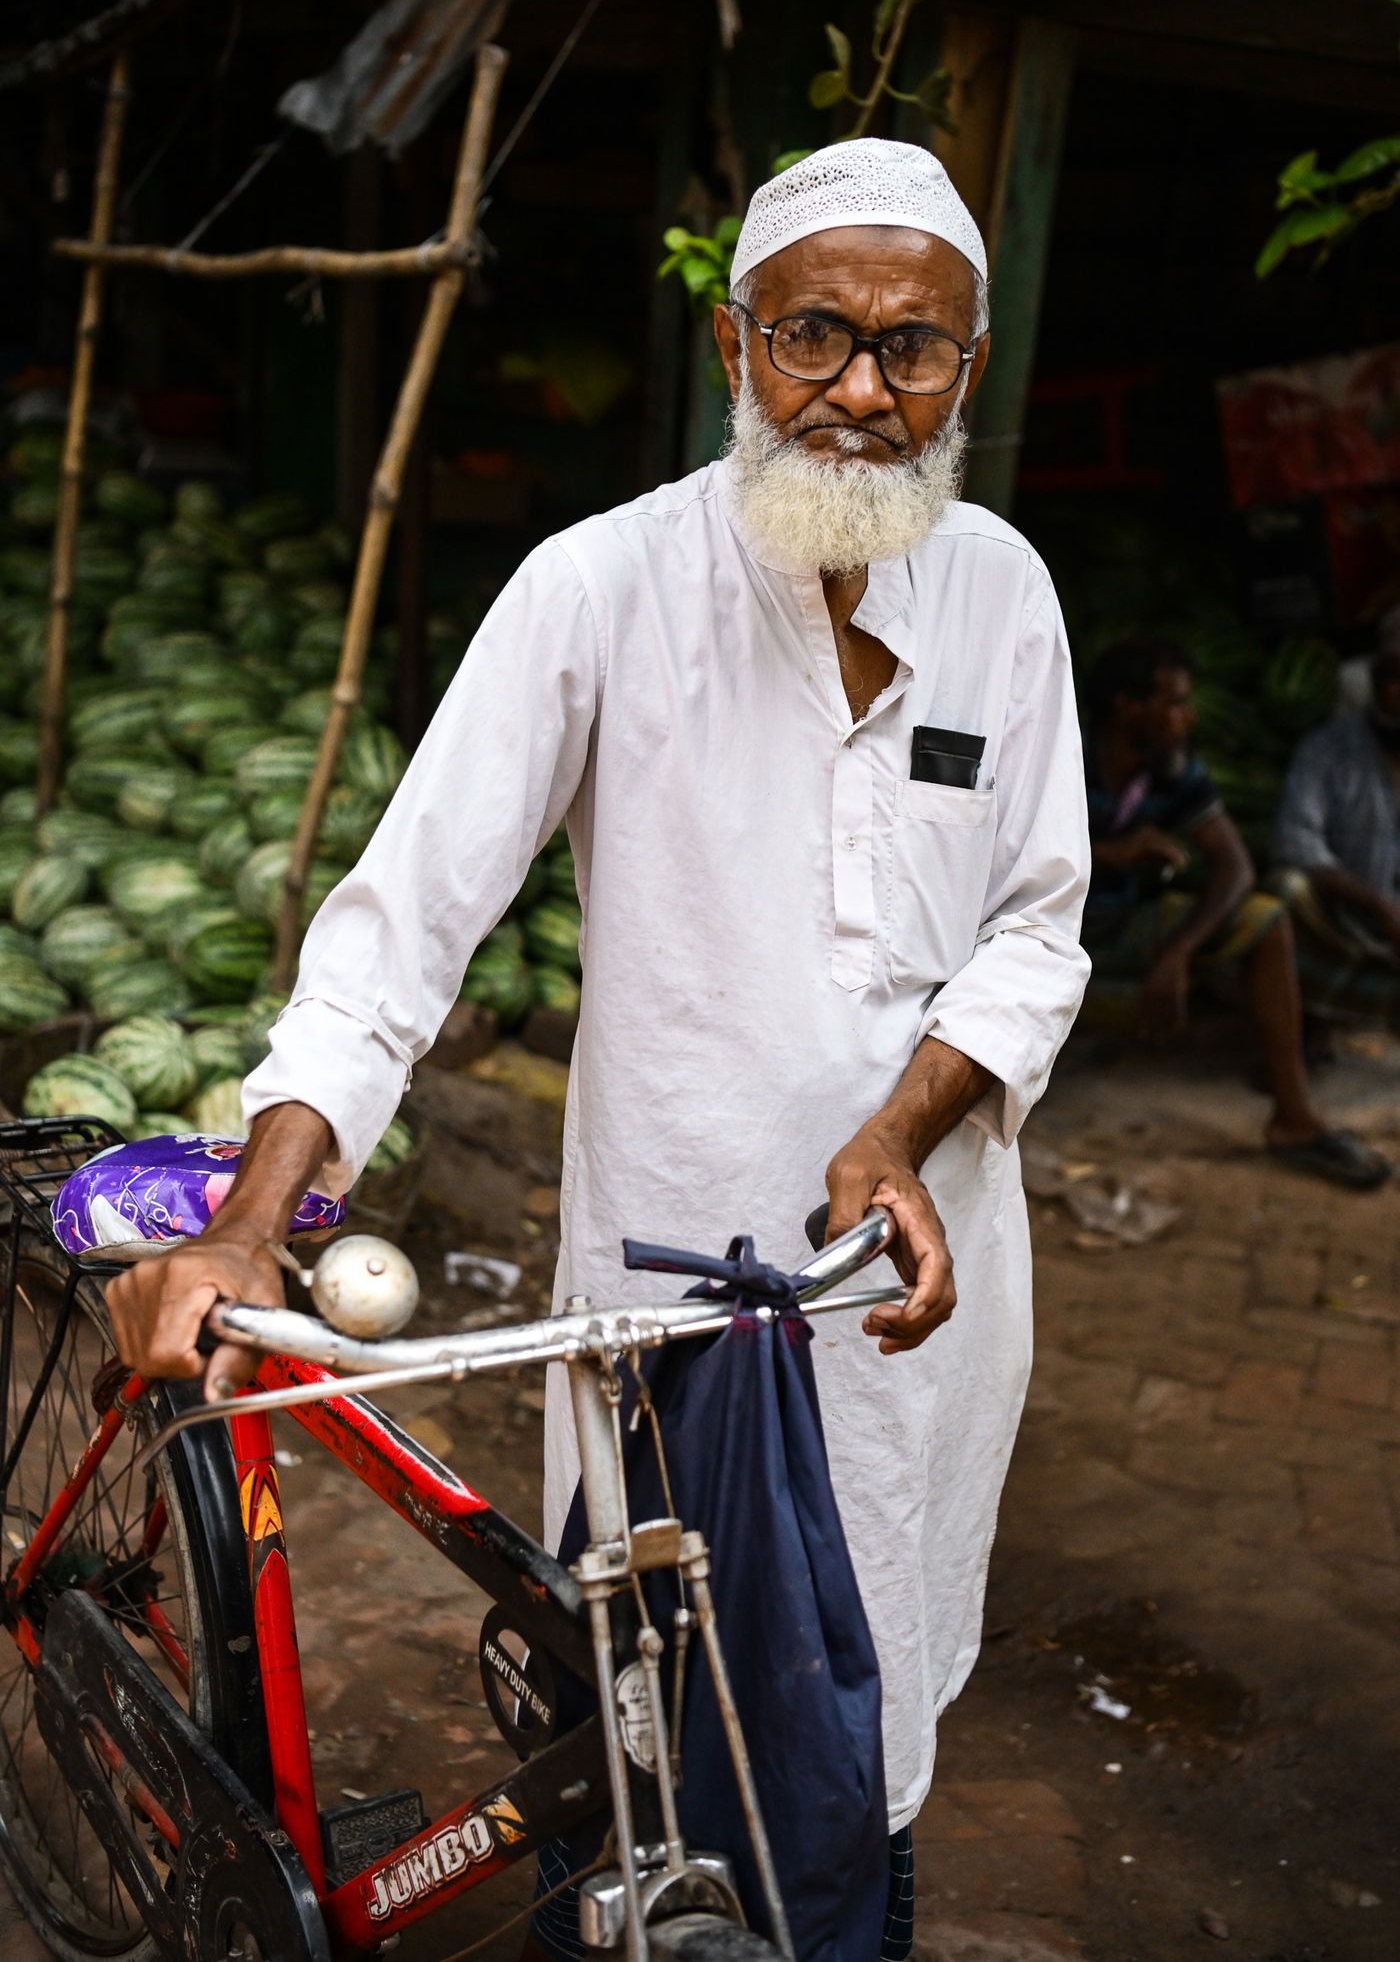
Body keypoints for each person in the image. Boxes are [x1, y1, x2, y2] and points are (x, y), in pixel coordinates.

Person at [106, 139, 1094, 1947]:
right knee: (645, 1721)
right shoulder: (597, 591)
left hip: (906, 1293)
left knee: (862, 1725)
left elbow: (1038, 927)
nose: (863, 391)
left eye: (915, 349)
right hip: (668, 1305)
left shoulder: (1006, 596)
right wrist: (254, 1221)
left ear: (966, 366)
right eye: (816, 334)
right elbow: (398, 932)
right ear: (735, 350)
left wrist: (902, 1128)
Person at [1082, 637, 1389, 1188]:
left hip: (1120, 929)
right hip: (1042, 933)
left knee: (1265, 916)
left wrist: (1178, 952)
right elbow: (994, 856)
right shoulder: (1062, 755)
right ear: (1130, 708)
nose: (1189, 716)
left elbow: (1236, 866)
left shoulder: (1172, 768)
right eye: (1174, 704)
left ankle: (1293, 1119)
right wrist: (1105, 852)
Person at [1271, 642, 1400, 1029]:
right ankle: (1305, 1022)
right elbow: (1295, 841)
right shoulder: (1327, 748)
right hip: (1347, 921)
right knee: (1285, 887)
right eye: (1394, 676)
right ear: (1374, 681)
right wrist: (1380, 906)